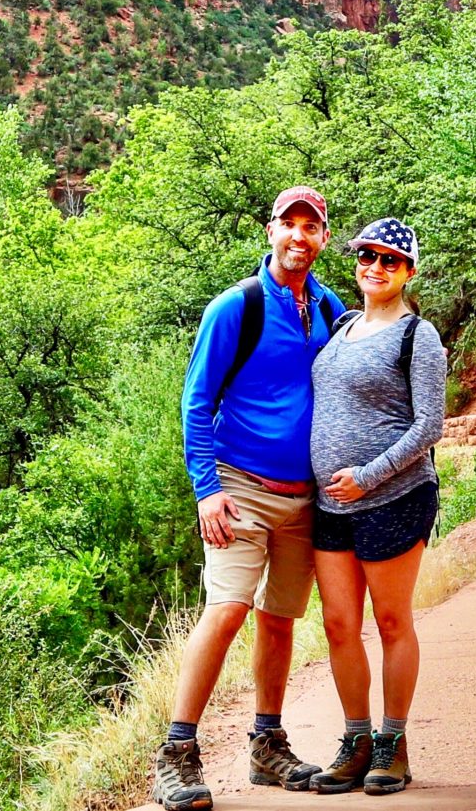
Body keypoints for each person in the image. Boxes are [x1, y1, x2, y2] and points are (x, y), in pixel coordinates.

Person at [151, 187, 347, 811]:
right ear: (270, 231)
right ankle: (175, 755)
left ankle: (267, 743)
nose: (299, 236)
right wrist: (206, 489)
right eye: (288, 224)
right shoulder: (237, 306)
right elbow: (196, 400)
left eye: (310, 227)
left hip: (305, 496)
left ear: (323, 238)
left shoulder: (328, 305)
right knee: (229, 607)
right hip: (239, 488)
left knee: (280, 618)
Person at [306, 217, 446, 796]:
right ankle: (356, 739)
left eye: (390, 260)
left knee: (391, 623)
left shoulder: (419, 336)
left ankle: (393, 743)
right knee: (340, 626)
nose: (376, 268)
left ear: (408, 271)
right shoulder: (340, 326)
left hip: (394, 497)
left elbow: (429, 424)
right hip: (329, 506)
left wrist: (367, 476)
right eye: (368, 257)